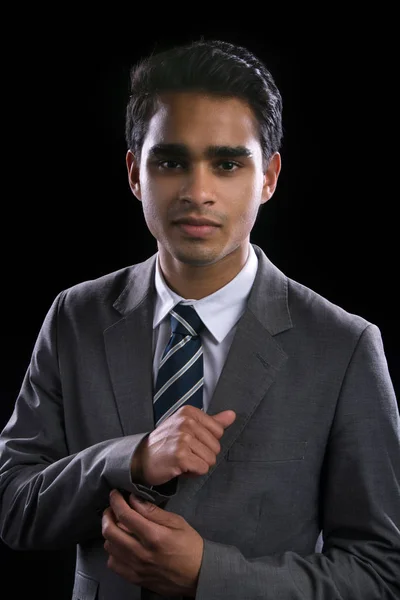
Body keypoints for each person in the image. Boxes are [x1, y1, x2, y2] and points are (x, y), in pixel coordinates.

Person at [0, 38, 399, 600]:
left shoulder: (345, 347)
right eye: (171, 161)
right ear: (137, 173)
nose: (198, 191)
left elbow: (380, 574)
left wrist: (208, 575)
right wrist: (132, 457)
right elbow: (13, 507)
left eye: (228, 163)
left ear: (269, 177)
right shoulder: (75, 317)